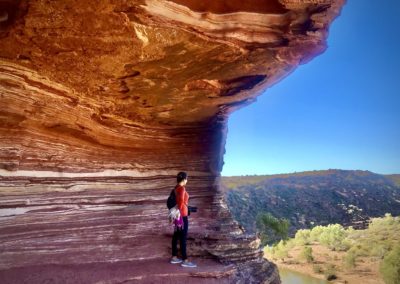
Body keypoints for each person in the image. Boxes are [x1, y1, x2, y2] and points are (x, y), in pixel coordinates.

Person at [170, 172, 197, 268]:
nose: (187, 180)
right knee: (183, 237)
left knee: (176, 236)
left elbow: (178, 202)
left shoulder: (175, 188)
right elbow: (181, 203)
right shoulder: (181, 188)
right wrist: (181, 212)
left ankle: (174, 257)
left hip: (177, 216)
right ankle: (185, 260)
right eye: (187, 178)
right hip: (182, 216)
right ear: (184, 179)